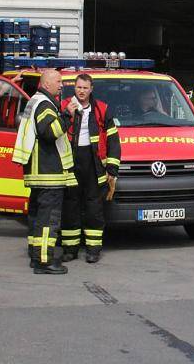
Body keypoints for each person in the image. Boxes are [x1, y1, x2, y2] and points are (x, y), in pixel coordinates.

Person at [11, 69, 73, 274]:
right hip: (48, 173)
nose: (61, 85)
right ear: (46, 84)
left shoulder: (35, 101)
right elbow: (50, 132)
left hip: (38, 172)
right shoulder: (45, 104)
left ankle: (35, 254)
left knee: (37, 217)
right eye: (58, 81)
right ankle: (44, 261)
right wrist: (67, 115)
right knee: (49, 219)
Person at [60, 74, 121, 264]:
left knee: (94, 207)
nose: (81, 91)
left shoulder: (102, 109)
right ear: (74, 88)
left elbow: (113, 140)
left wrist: (112, 169)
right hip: (71, 163)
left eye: (85, 88)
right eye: (79, 87)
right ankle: (70, 250)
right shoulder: (64, 106)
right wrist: (66, 114)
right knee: (70, 206)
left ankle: (93, 250)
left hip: (93, 164)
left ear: (91, 89)